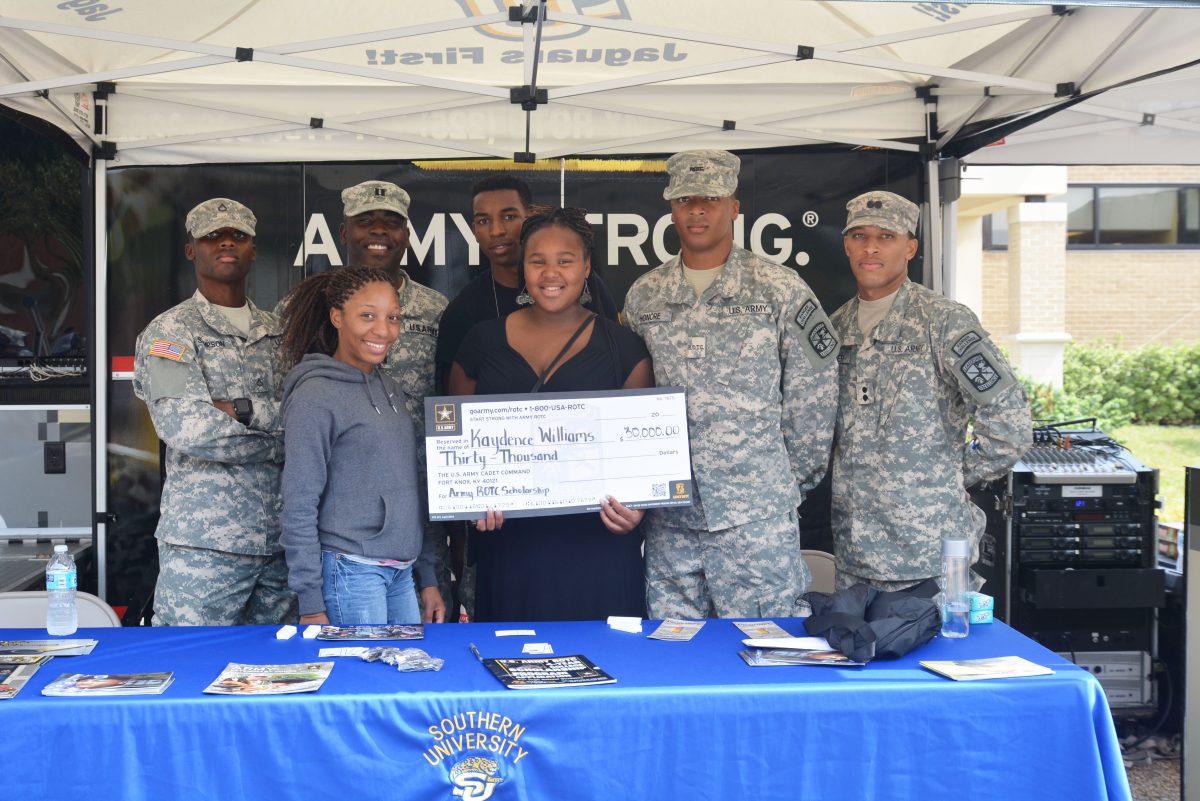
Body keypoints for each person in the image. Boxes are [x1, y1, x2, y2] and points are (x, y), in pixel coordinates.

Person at [623, 149, 839, 620]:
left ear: (734, 207)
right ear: (671, 208)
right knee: (674, 661)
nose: (696, 210)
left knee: (766, 655)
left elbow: (814, 401)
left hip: (755, 522)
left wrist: (774, 487)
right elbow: (632, 401)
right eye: (684, 200)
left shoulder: (780, 290)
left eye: (710, 199)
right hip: (671, 525)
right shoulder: (644, 296)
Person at [447, 208, 654, 622]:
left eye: (565, 260)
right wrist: (470, 498)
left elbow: (645, 452)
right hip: (510, 550)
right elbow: (455, 441)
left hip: (600, 550)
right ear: (522, 267)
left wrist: (639, 509)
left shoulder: (625, 348)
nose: (550, 273)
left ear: (587, 266)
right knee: (514, 670)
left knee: (606, 669)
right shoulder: (481, 341)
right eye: (537, 260)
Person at [830, 190, 1032, 590]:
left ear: (910, 248)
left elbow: (1010, 426)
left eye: (886, 237)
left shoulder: (944, 322)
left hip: (928, 557)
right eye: (859, 236)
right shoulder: (837, 327)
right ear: (846, 245)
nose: (871, 247)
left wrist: (946, 477)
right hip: (855, 554)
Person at [133, 198, 295, 626]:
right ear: (192, 250)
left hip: (282, 544)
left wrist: (240, 410)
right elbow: (187, 428)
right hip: (204, 547)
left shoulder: (279, 333)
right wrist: (280, 441)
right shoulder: (170, 333)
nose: (227, 243)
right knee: (188, 667)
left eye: (238, 236)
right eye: (212, 236)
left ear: (253, 250)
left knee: (280, 676)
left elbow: (306, 415)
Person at [279, 266, 445, 626]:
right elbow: (299, 503)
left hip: (401, 573)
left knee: (402, 679)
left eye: (393, 317)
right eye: (367, 316)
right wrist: (310, 601)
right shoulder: (315, 395)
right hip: (351, 571)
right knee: (364, 678)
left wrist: (428, 576)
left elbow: (411, 487)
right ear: (337, 317)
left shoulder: (391, 388)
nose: (383, 330)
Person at [435, 174, 618, 391]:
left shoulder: (586, 288)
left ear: (530, 217)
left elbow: (614, 366)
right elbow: (451, 404)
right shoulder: (463, 310)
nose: (496, 231)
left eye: (509, 217)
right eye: (483, 221)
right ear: (474, 230)